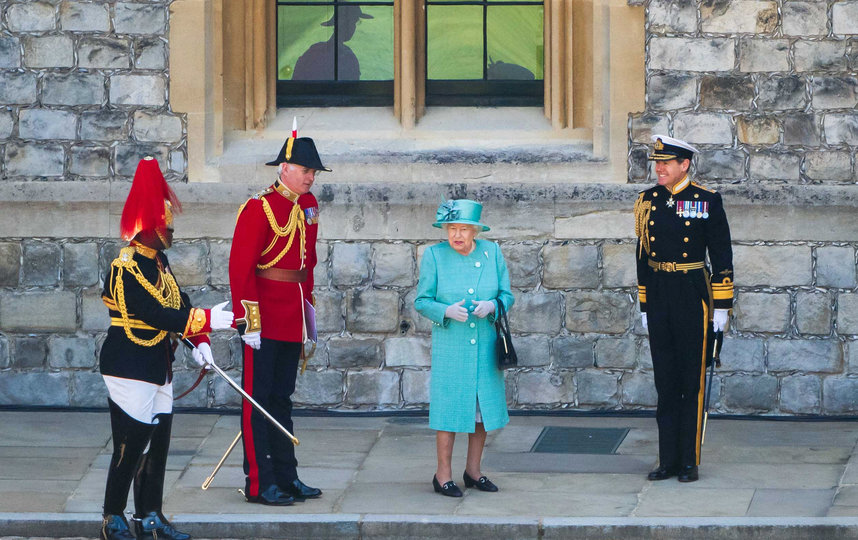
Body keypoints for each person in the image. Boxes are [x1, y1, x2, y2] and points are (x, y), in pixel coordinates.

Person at [98, 157, 233, 540]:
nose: (170, 231)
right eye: (164, 227)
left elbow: (179, 304)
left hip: (158, 362)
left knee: (158, 441)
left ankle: (149, 516)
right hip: (129, 362)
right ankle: (112, 517)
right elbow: (156, 313)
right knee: (132, 442)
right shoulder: (125, 268)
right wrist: (206, 320)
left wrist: (200, 340)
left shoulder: (159, 262)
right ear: (145, 230)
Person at [228, 132, 329, 505]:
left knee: (281, 399)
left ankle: (287, 476)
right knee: (257, 401)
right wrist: (248, 319)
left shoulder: (308, 205)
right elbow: (241, 269)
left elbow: (308, 264)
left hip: (291, 316)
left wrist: (308, 315)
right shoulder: (259, 208)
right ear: (284, 168)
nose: (310, 178)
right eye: (304, 170)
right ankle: (259, 482)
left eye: (313, 172)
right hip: (264, 318)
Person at [634, 135, 734, 483]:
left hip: (693, 293)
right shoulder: (647, 201)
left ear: (684, 165)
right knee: (665, 380)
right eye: (656, 163)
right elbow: (643, 255)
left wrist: (721, 306)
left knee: (691, 380)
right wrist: (645, 302)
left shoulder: (706, 200)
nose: (659, 168)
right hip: (660, 292)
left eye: (666, 163)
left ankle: (688, 461)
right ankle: (667, 459)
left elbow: (721, 255)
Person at [414, 199, 514, 497]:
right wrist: (445, 311)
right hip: (452, 346)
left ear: (475, 231)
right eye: (452, 228)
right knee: (449, 410)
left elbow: (507, 295)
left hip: (485, 344)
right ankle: (442, 475)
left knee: (481, 410)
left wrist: (492, 305)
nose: (456, 235)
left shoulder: (492, 252)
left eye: (463, 229)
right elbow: (421, 301)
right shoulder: (434, 255)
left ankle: (473, 471)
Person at [292, 5, 373, 81]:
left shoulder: (314, 50)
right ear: (345, 24)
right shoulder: (348, 56)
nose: (354, 28)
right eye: (354, 23)